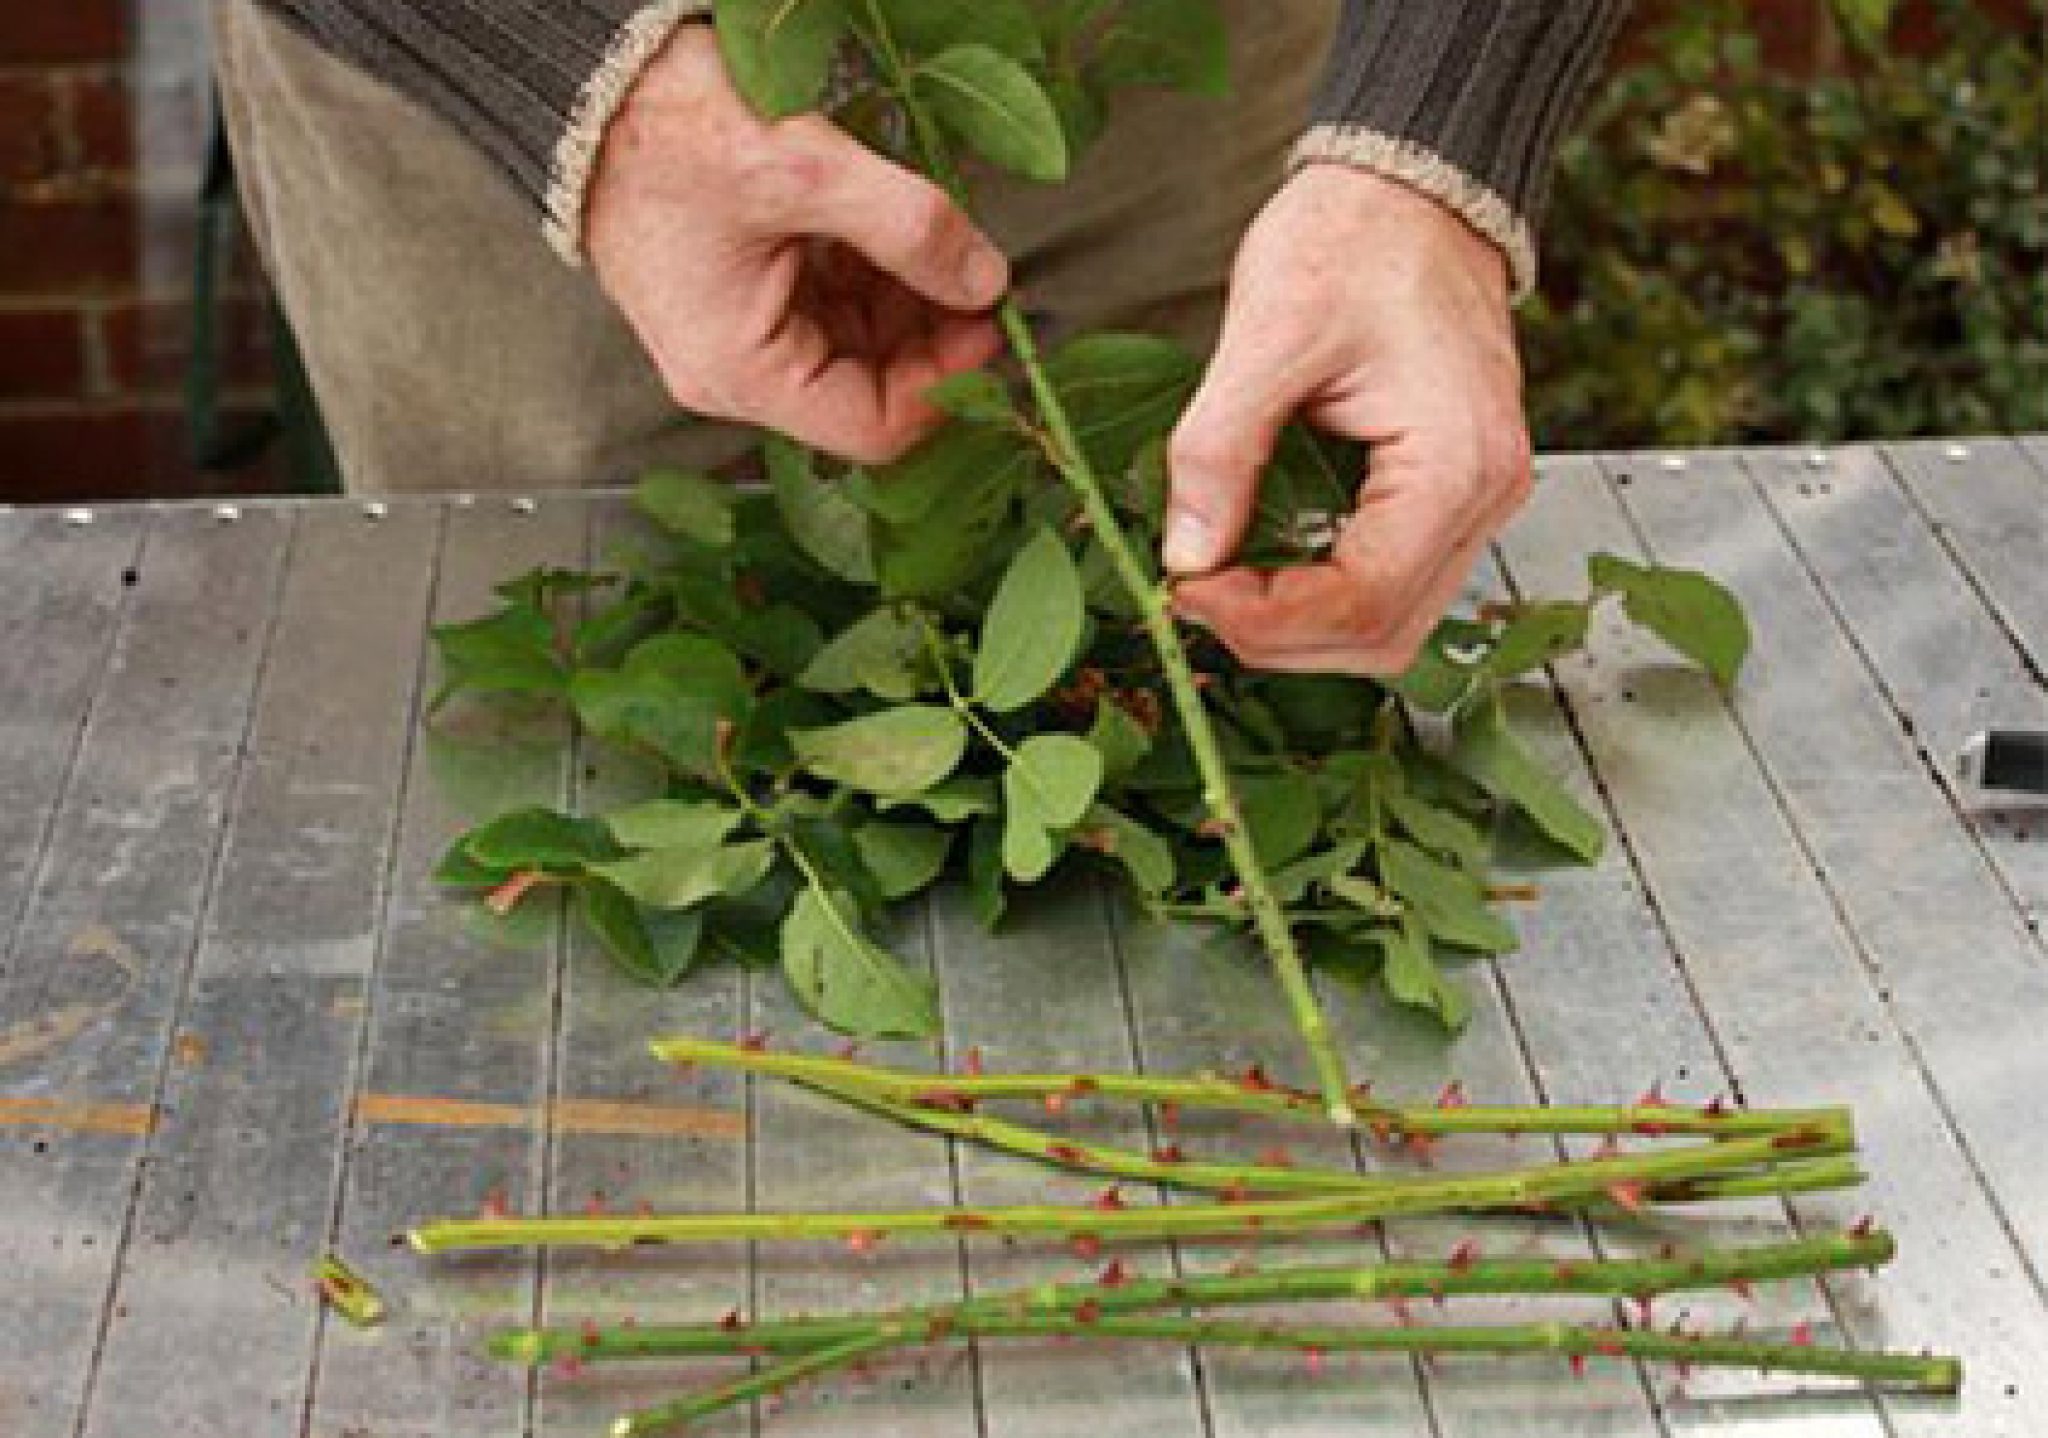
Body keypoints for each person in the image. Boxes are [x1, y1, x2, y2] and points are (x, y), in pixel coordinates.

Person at [211, 1, 1628, 674]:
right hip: (516, 98)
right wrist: (581, 92)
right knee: (582, 732)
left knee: (1186, 672)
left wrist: (1439, 140)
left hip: (1162, 69)